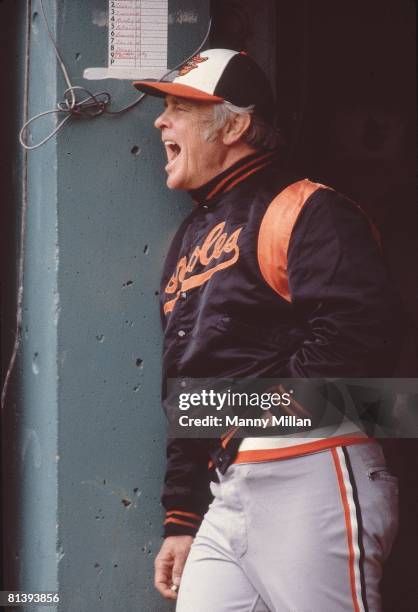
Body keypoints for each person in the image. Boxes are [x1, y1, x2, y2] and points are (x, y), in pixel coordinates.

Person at [133, 49, 402, 612]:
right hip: (230, 488)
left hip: (315, 466)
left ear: (233, 126)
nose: (160, 120)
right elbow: (190, 383)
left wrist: (242, 417)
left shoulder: (309, 207)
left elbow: (359, 337)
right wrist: (182, 516)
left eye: (180, 107)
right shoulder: (191, 236)